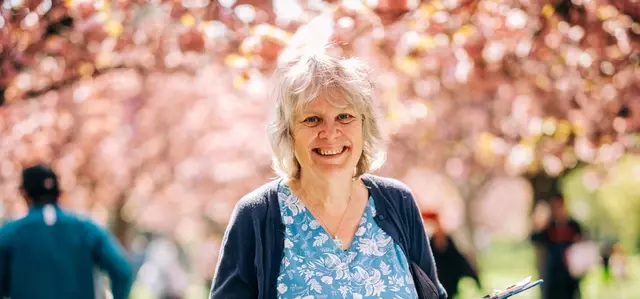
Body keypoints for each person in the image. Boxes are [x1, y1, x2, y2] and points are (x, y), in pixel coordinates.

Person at [209, 46, 447, 299]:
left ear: (364, 126)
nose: (331, 133)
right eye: (312, 119)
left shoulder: (397, 202)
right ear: (288, 132)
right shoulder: (258, 214)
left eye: (344, 116)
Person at [0, 164, 133, 299]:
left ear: (24, 192)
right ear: (58, 191)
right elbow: (122, 271)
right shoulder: (87, 229)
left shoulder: (9, 233)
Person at [530, 196, 583, 299]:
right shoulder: (549, 226)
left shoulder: (573, 225)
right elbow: (535, 238)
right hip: (552, 270)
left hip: (569, 270)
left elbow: (581, 240)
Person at [424, 212, 481, 298]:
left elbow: (461, 262)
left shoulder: (449, 245)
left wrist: (475, 278)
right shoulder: (429, 245)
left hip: (448, 284)